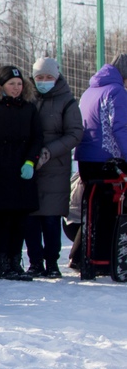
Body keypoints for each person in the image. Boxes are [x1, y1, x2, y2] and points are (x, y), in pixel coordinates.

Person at [0, 66, 43, 281]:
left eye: (19, 84)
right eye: (11, 84)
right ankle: (1, 262)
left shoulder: (29, 109)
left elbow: (37, 138)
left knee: (20, 219)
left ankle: (15, 260)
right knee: (2, 220)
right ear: (1, 85)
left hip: (22, 172)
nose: (16, 87)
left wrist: (31, 162)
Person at [24, 58, 83, 278]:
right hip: (29, 166)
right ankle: (35, 262)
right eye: (40, 77)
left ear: (56, 77)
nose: (44, 81)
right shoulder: (27, 98)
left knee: (50, 218)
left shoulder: (67, 101)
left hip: (55, 168)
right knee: (30, 217)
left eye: (49, 77)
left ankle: (52, 263)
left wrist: (50, 151)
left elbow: (75, 132)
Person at [74, 55, 127, 276]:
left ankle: (84, 257)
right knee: (109, 212)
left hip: (86, 159)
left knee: (93, 210)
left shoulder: (91, 90)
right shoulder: (116, 91)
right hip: (107, 160)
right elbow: (120, 128)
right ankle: (108, 260)